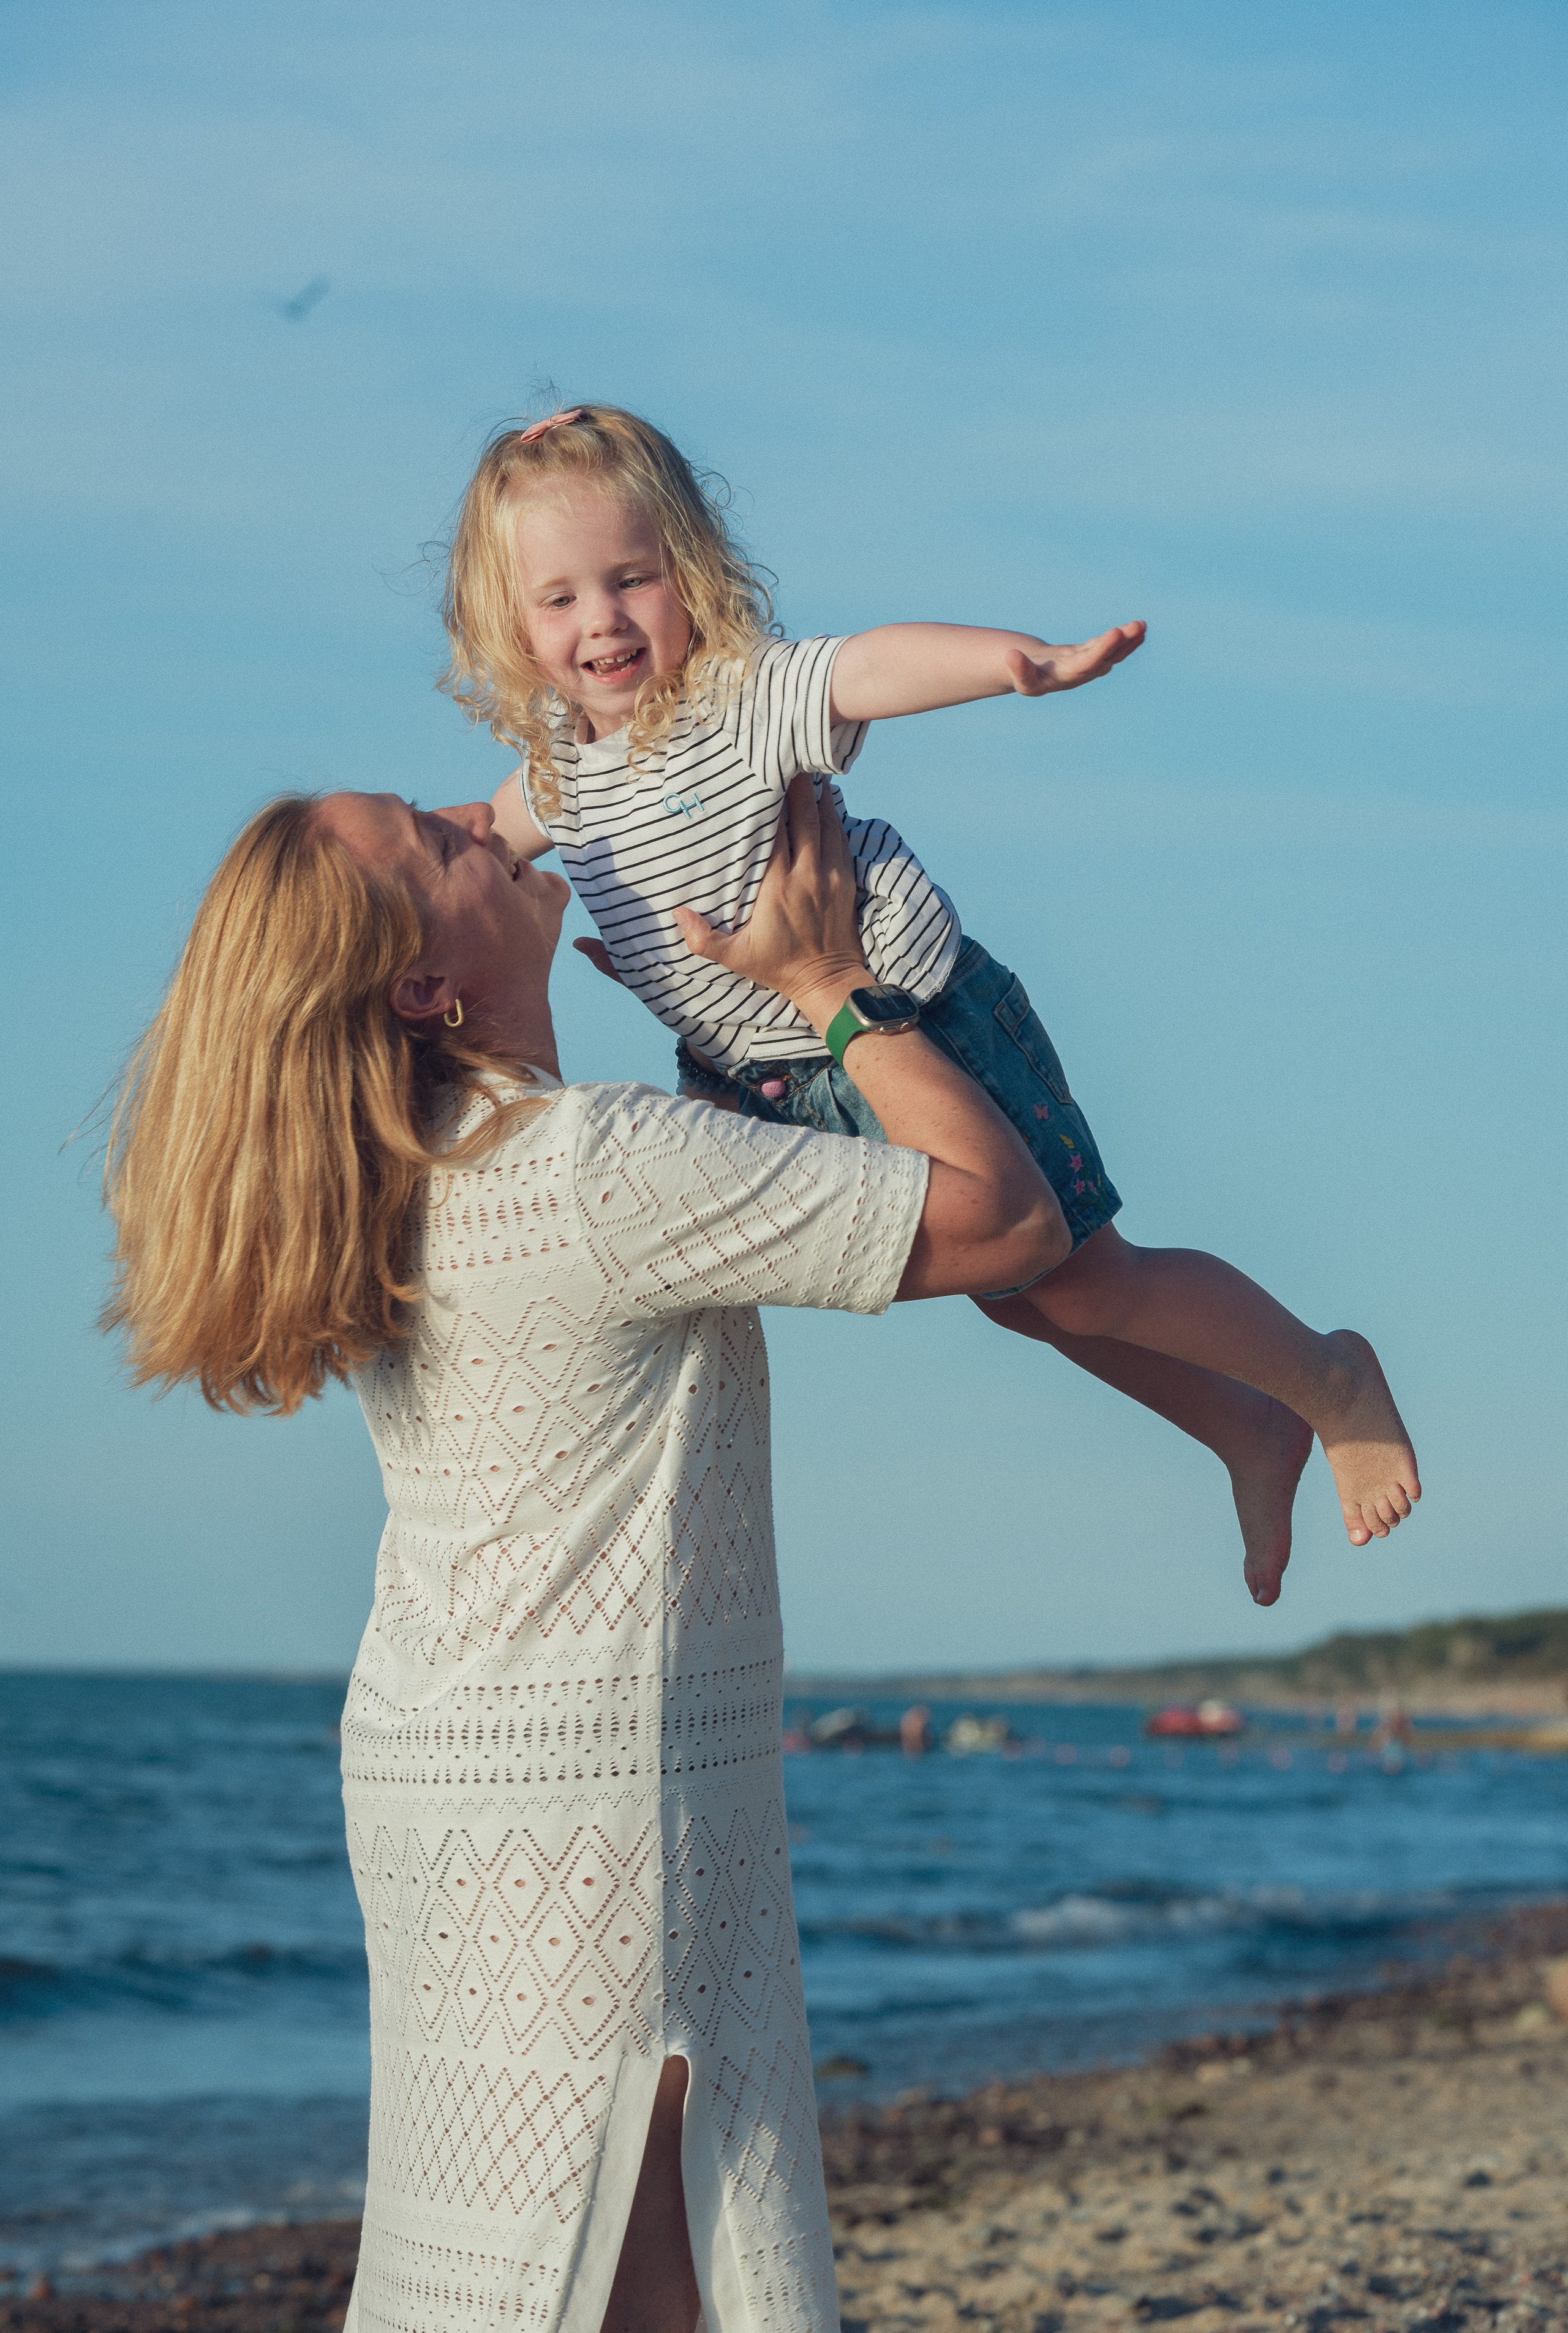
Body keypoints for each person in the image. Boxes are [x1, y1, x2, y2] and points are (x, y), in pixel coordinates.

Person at [102, 774, 1066, 2333]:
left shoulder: (403, 1176)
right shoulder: (588, 1165)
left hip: (445, 1766)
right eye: (439, 837)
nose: (478, 819)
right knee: (632, 2249)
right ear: (423, 987)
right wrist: (830, 987)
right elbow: (1013, 1223)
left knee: (499, 2240)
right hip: (597, 1782)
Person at [442, 402, 1421, 1595]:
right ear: (511, 624)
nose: (601, 618)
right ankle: (1237, 1421)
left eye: (630, 579)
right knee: (1017, 1299)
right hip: (774, 1076)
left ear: (687, 574)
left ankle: (1324, 1376)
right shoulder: (558, 778)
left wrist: (1015, 665)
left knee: (1085, 1274)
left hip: (914, 1020)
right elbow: (460, 841)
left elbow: (866, 666)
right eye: (559, 598)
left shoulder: (738, 698)